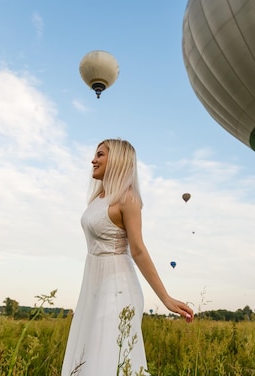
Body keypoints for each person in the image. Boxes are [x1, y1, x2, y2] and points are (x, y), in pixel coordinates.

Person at [61, 138, 194, 376]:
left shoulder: (127, 198)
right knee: (90, 356)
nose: (93, 159)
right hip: (93, 287)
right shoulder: (98, 199)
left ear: (118, 160)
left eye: (100, 154)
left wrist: (166, 298)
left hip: (118, 290)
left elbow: (139, 250)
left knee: (109, 358)